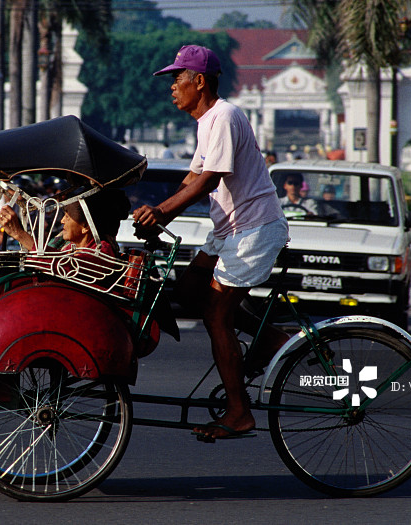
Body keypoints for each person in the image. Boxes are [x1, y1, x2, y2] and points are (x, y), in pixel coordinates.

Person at [133, 44, 289, 442]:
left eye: (177, 80)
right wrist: (155, 215)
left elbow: (210, 180)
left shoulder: (224, 116)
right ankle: (272, 339)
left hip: (251, 230)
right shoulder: (207, 122)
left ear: (198, 82)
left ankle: (239, 412)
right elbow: (192, 177)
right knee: (188, 290)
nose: (172, 88)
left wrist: (163, 212)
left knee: (217, 316)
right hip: (228, 232)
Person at [0, 188, 130, 256]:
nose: (62, 220)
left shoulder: (101, 251)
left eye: (68, 216)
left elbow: (60, 265)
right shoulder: (67, 245)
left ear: (86, 226)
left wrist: (19, 234)